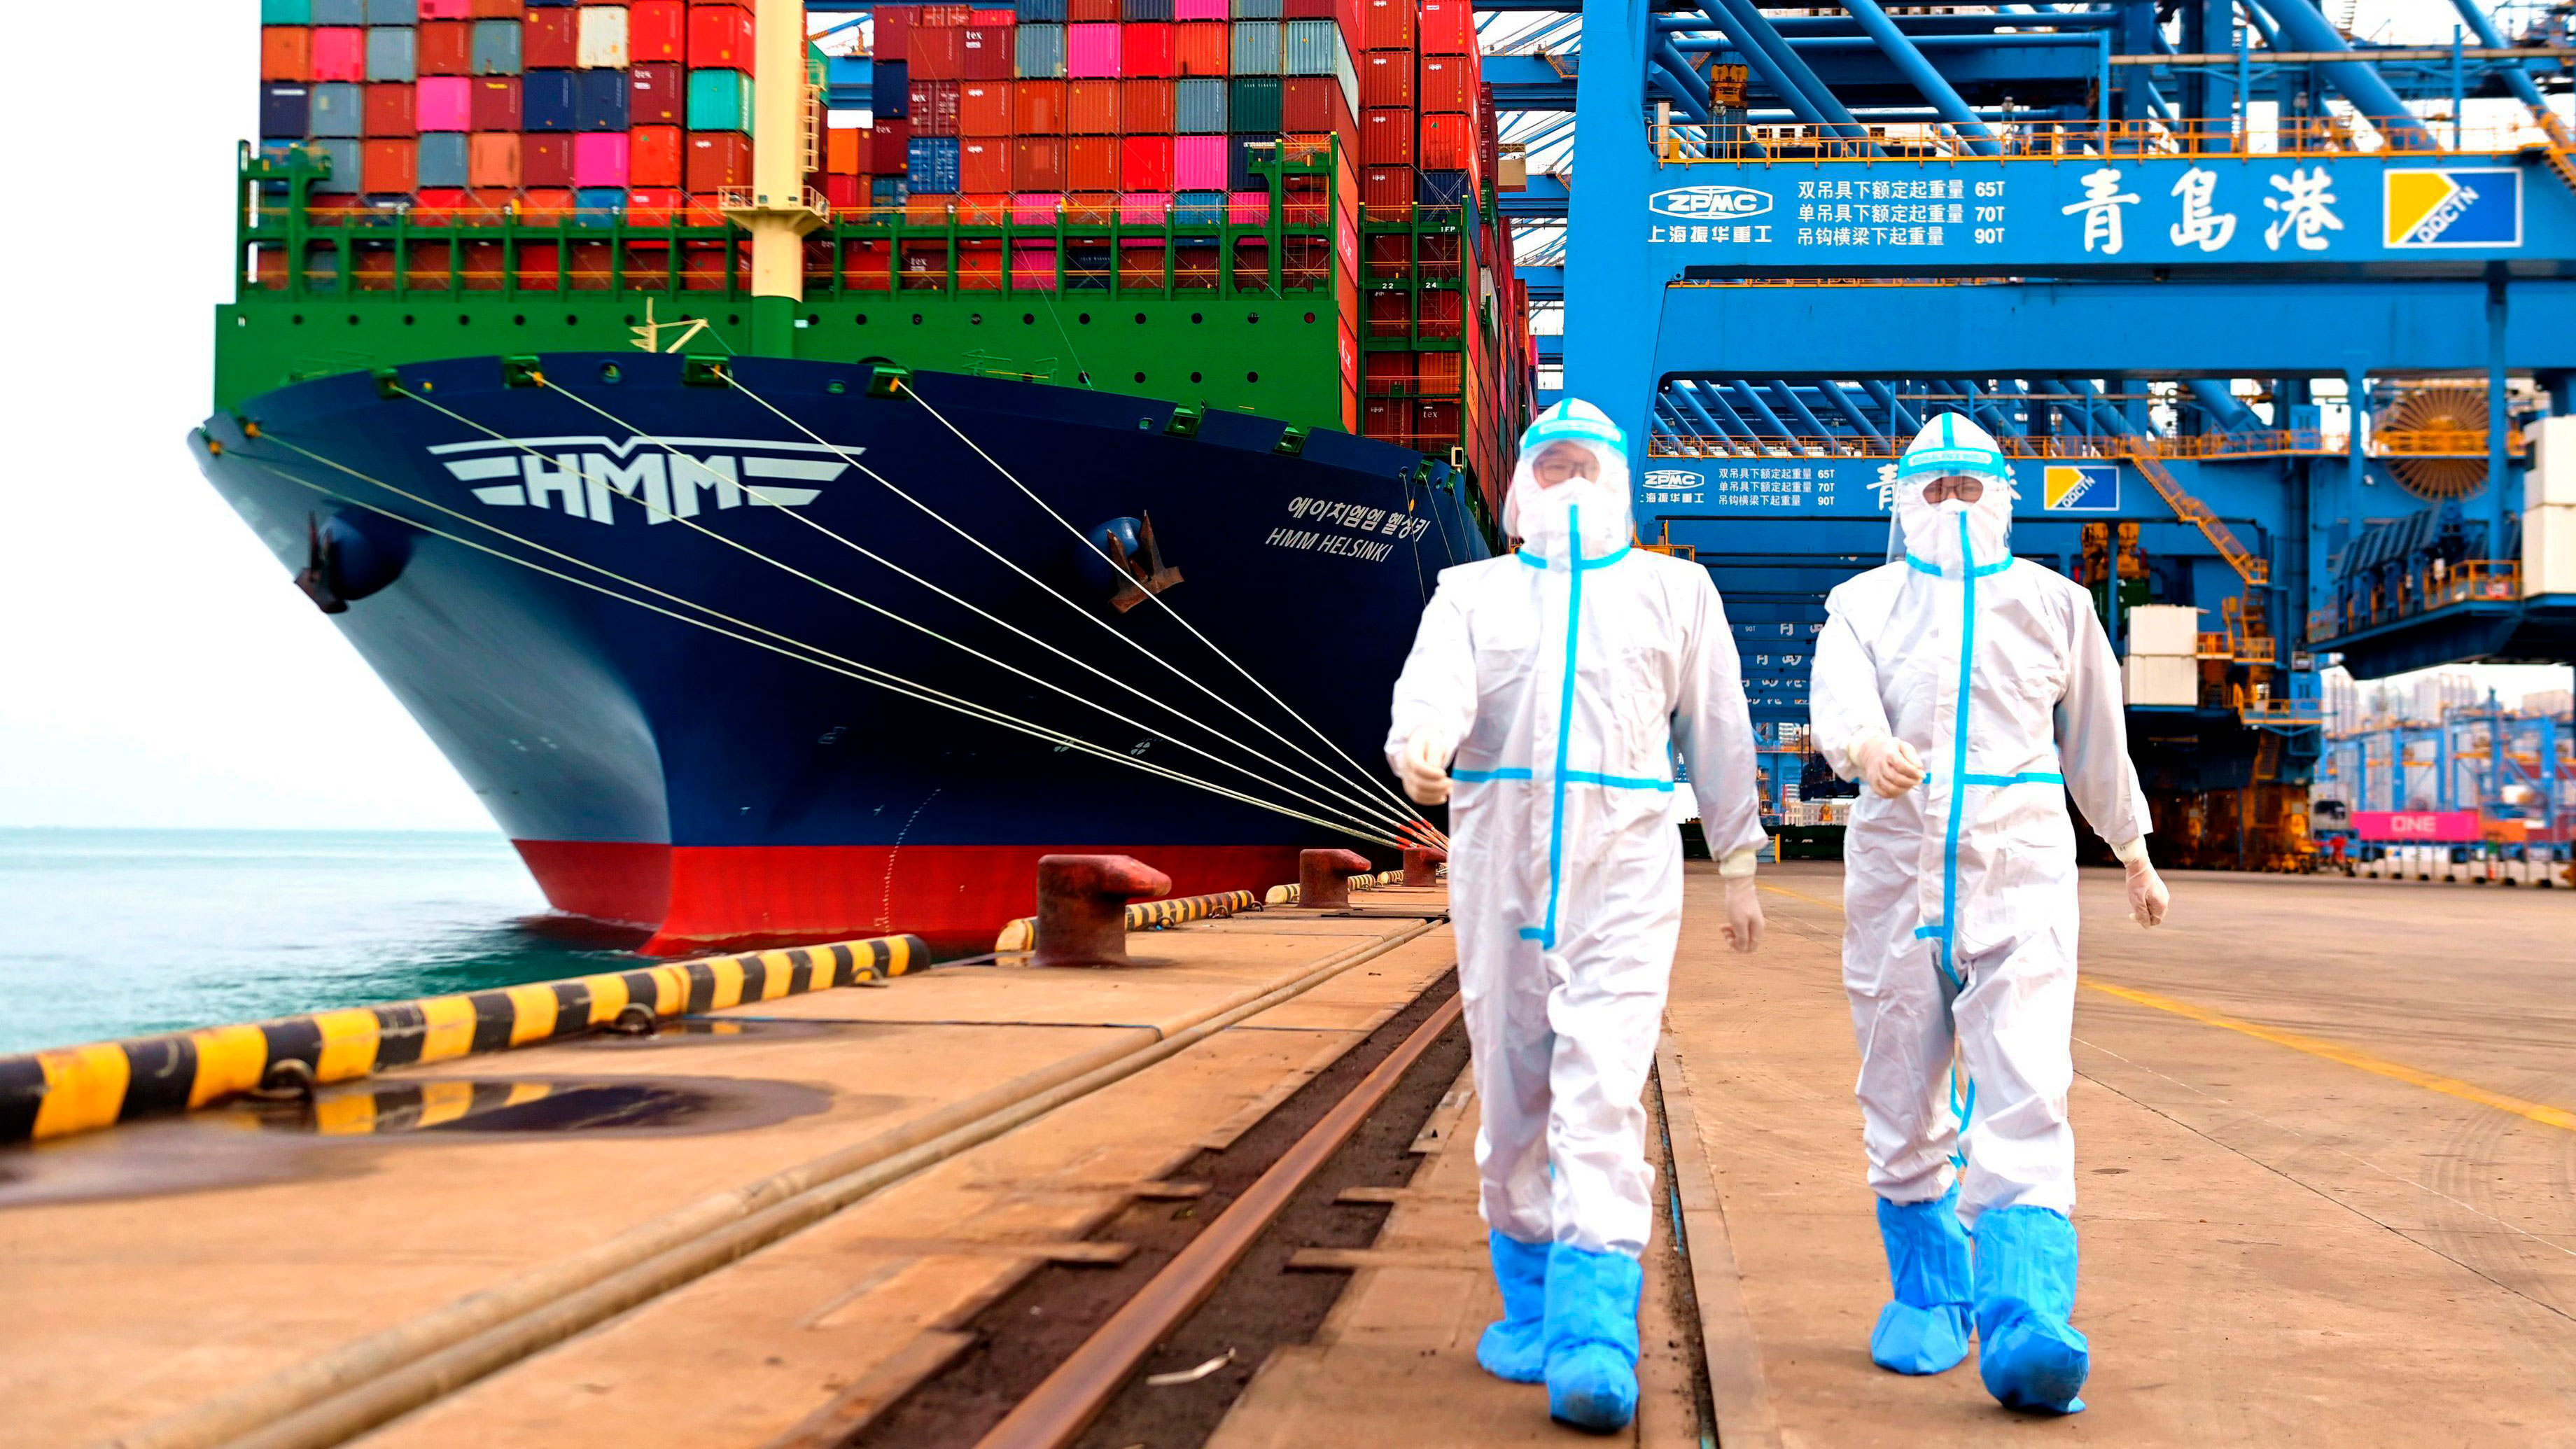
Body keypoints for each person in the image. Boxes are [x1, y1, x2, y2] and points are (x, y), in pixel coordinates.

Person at [1386, 398, 1768, 1433]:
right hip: (1498, 857)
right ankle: (1533, 1307)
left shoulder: (1674, 591)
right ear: (1517, 485)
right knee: (1510, 1085)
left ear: (1620, 480)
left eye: (1584, 465)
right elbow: (1434, 686)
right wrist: (1419, 739)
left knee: (1601, 1082)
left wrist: (1737, 853)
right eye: (1548, 466)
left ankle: (1598, 1329)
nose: (1566, 484)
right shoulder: (1471, 593)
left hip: (1625, 864)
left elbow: (1718, 724)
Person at [1809, 412, 2172, 1415]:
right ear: (1904, 501)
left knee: (2026, 1079)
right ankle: (1930, 1293)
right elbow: (1835, 698)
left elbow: (2097, 738)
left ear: (2003, 497)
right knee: (1897, 1082)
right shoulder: (1863, 604)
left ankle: (2028, 1320)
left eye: (1971, 489)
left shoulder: (2055, 605)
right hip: (1895, 865)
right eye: (1936, 490)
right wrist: (1866, 746)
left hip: (2019, 865)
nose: (1954, 507)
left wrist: (2132, 848)